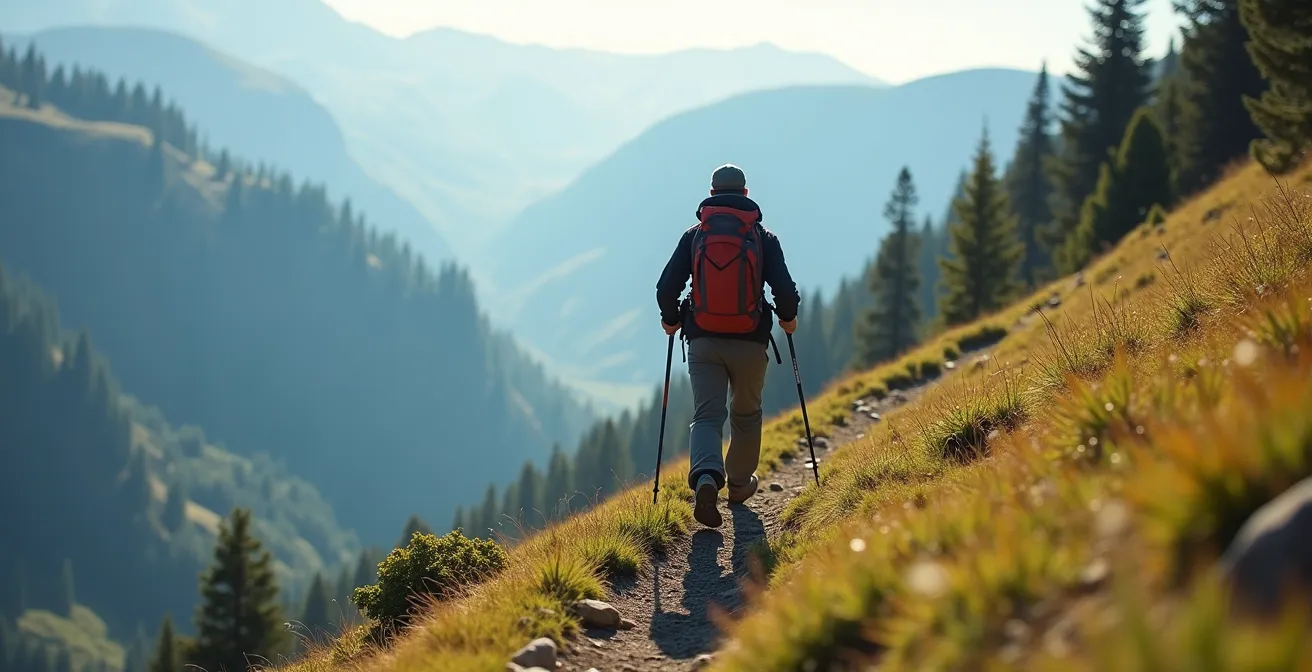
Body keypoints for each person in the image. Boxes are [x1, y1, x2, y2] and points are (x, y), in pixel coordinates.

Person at [655, 163, 801, 528]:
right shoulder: (762, 237)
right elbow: (784, 289)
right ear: (746, 194)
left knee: (707, 414)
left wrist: (672, 319)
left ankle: (706, 477)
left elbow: (665, 288)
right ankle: (737, 486)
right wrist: (787, 318)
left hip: (703, 339)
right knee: (746, 414)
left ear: (711, 193)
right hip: (750, 342)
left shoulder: (694, 236)